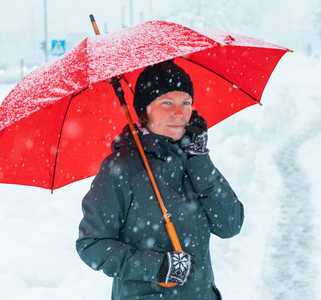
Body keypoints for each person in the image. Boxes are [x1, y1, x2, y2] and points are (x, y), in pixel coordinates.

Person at [76, 60, 244, 300]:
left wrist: (199, 158)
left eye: (186, 102)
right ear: (144, 111)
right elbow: (91, 244)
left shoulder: (192, 159)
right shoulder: (121, 166)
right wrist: (157, 266)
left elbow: (229, 224)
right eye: (167, 102)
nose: (179, 112)